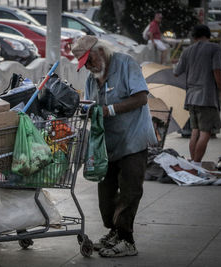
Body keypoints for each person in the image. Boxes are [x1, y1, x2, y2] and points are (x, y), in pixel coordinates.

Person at [71, 36, 157, 257]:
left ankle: (127, 240)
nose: (89, 67)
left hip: (134, 138)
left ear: (100, 51)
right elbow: (93, 106)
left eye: (89, 61)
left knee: (130, 191)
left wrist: (110, 110)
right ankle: (115, 231)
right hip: (108, 145)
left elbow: (141, 98)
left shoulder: (125, 64)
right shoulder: (92, 80)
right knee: (106, 197)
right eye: (85, 65)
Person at [174, 25, 221, 166]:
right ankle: (197, 164)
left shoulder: (187, 51)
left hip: (191, 97)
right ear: (208, 35)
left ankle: (194, 164)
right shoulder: (214, 48)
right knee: (206, 132)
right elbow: (217, 70)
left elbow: (176, 72)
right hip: (207, 97)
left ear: (194, 36)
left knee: (194, 131)